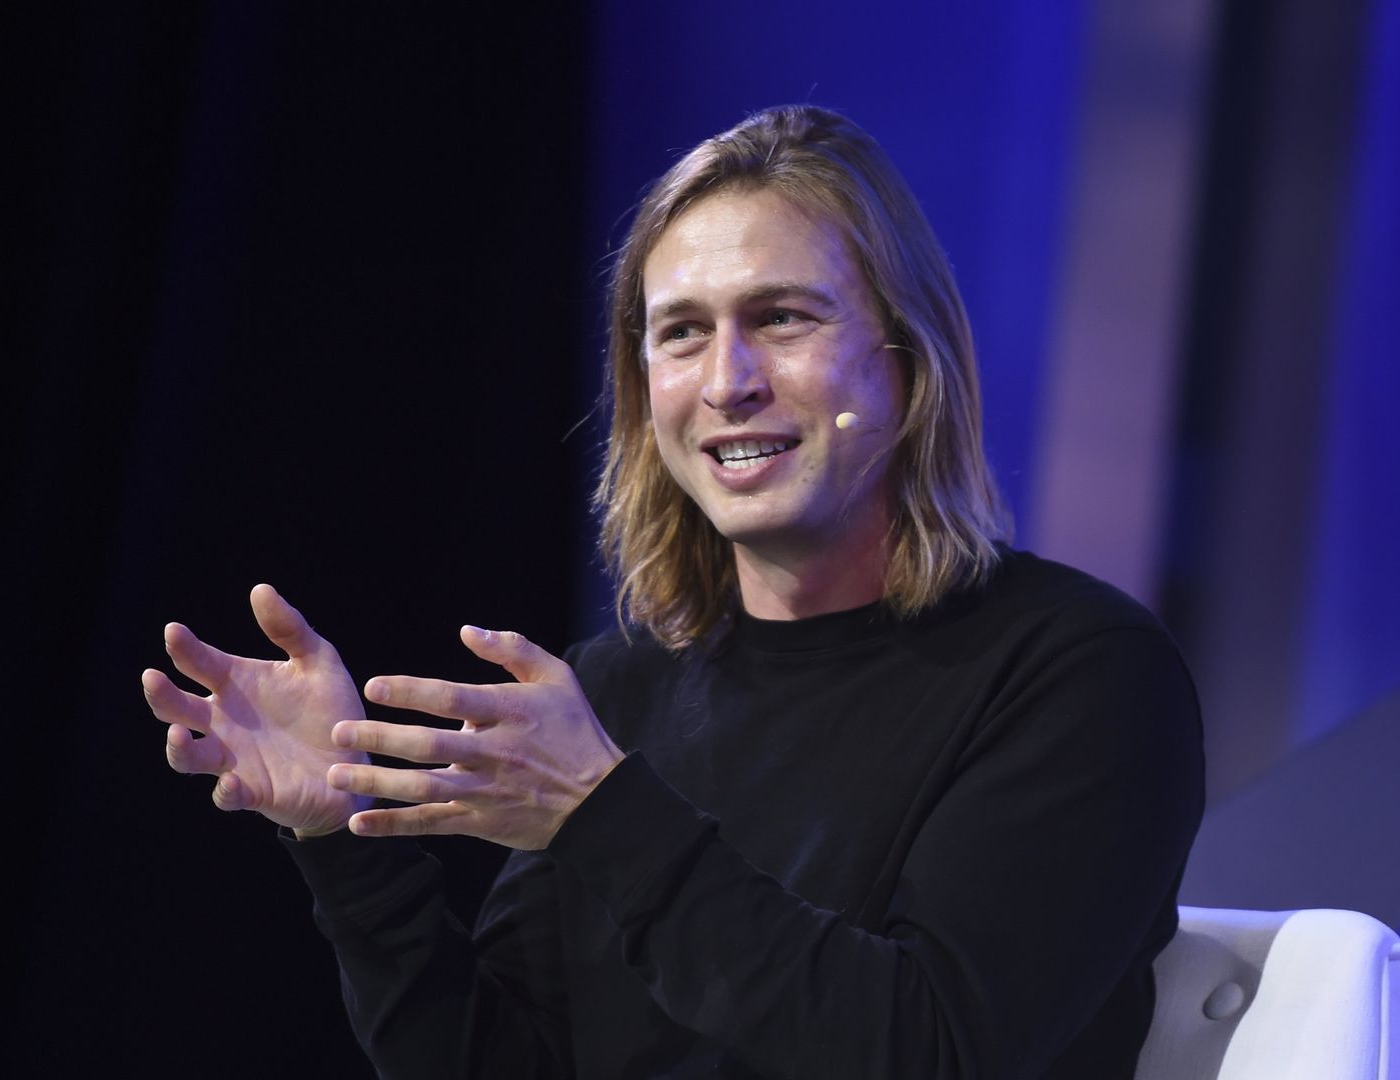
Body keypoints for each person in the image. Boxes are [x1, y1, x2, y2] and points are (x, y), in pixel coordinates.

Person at [141, 105, 1204, 1078]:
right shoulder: (617, 691)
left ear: (907, 361)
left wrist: (601, 813)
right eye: (682, 332)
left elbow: (927, 1049)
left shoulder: (1082, 675)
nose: (729, 379)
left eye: (783, 317)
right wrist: (345, 838)